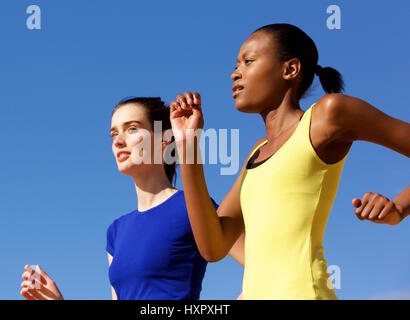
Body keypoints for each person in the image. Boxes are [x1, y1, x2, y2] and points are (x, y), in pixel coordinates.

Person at [169, 23, 410, 300]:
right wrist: (188, 144)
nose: (235, 73)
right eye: (236, 65)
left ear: (290, 70)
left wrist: (399, 209)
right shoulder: (256, 153)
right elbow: (213, 247)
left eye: (248, 61)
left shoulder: (329, 114)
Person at [20, 97, 220, 300]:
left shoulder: (190, 206)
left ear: (164, 139)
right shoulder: (116, 231)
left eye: (132, 129)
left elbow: (253, 265)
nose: (118, 141)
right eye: (114, 133)